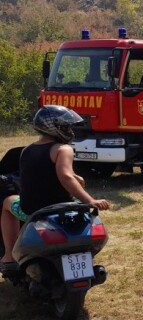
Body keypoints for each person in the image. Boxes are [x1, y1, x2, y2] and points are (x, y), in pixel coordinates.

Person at [1, 105, 111, 272]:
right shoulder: (63, 149)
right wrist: (90, 200)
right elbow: (65, 176)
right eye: (66, 126)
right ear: (54, 128)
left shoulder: (26, 151)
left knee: (7, 203)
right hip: (60, 205)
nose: (70, 131)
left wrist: (74, 177)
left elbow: (42, 173)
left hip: (31, 209)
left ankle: (9, 255)